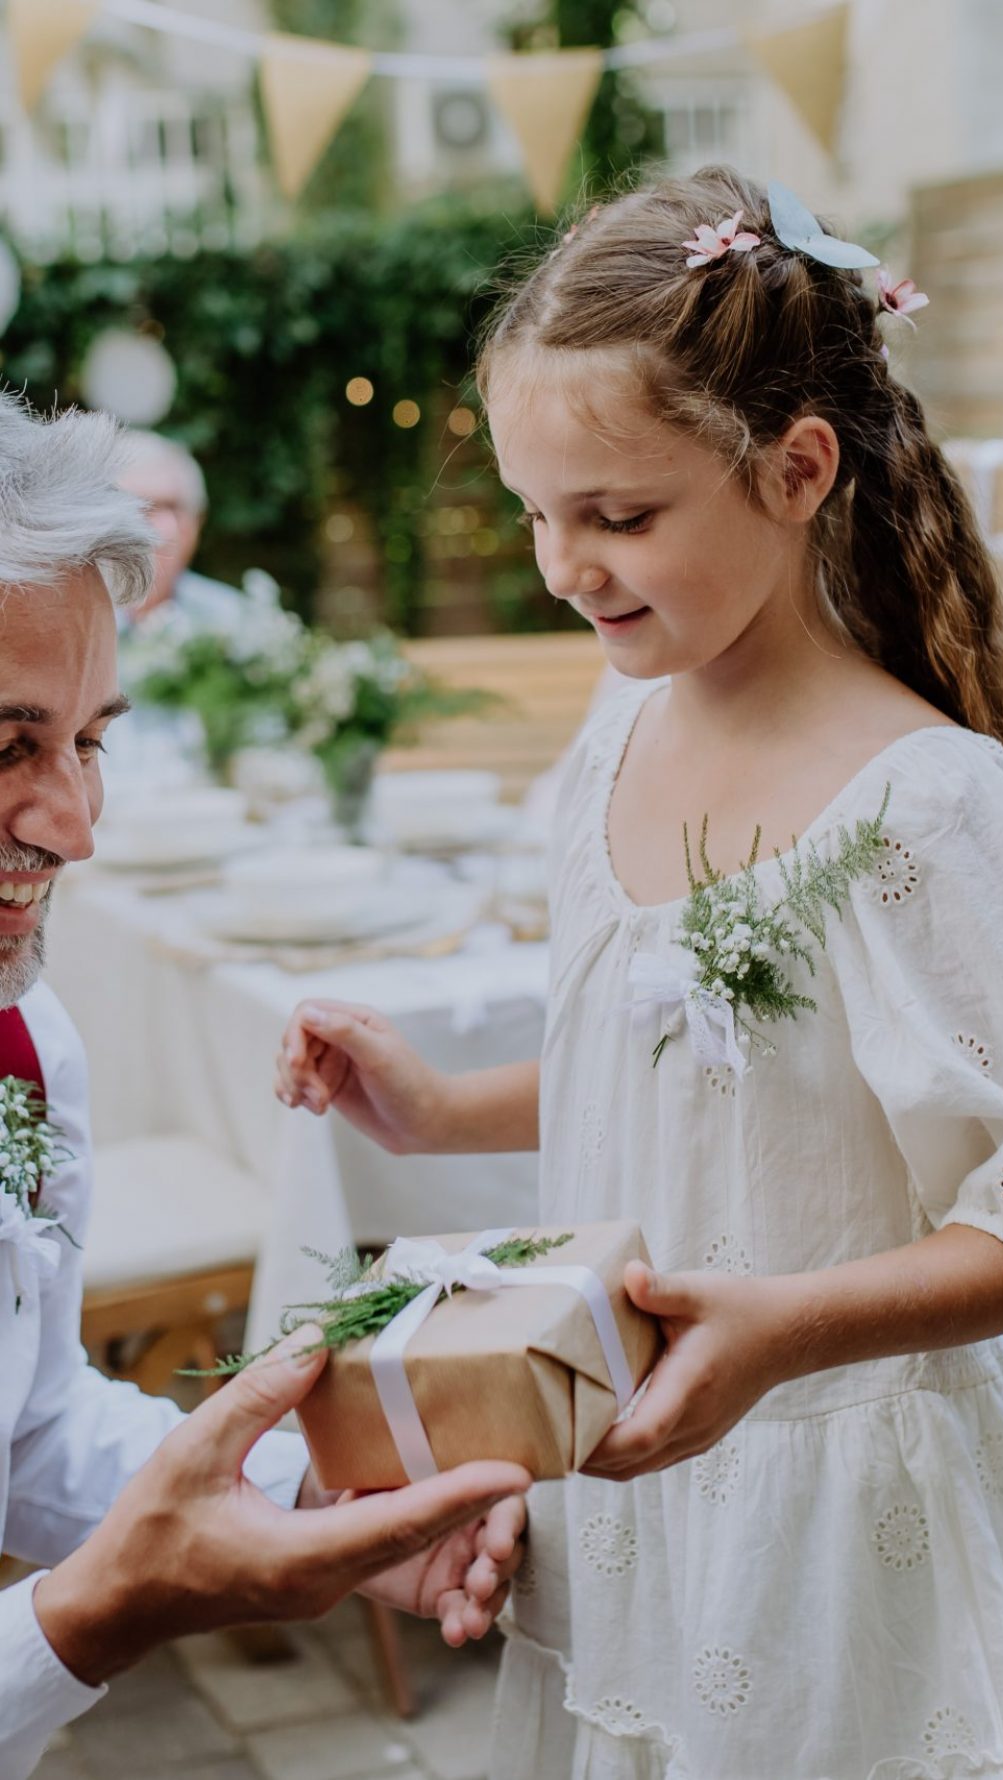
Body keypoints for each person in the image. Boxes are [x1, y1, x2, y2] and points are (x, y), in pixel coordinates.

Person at [275, 166, 1003, 1779]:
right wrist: (434, 1110)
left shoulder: (923, 808)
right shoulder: (613, 735)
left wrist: (777, 1333)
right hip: (638, 1523)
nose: (560, 565)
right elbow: (682, 1074)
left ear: (793, 470)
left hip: (836, 1540)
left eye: (615, 516)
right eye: (535, 512)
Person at [0, 392, 529, 1780]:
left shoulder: (27, 1045)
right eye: (8, 747)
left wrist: (313, 1508)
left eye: (89, 739)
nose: (75, 827)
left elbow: (32, 1419)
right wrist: (93, 1614)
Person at [117, 429, 241, 628]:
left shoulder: (233, 618)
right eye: (139, 508)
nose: (163, 528)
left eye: (172, 508)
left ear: (197, 522)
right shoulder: (71, 620)